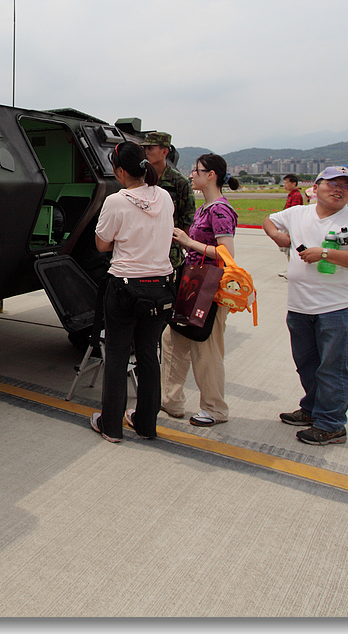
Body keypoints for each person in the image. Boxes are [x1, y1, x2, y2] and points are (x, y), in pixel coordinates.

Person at [263, 166, 348, 446]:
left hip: (335, 308)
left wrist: (325, 253)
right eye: (332, 184)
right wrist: (278, 236)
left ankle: (331, 424)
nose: (339, 190)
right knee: (307, 364)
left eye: (346, 186)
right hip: (299, 306)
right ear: (315, 187)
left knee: (334, 368)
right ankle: (312, 409)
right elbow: (269, 220)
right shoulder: (297, 213)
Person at [88, 140, 175, 443]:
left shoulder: (117, 200)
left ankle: (111, 426)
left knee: (116, 355)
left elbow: (101, 244)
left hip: (125, 287)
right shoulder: (164, 196)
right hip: (161, 287)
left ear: (120, 170)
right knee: (149, 355)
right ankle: (146, 424)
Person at [162, 154, 240, 426]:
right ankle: (170, 401)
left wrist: (187, 242)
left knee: (206, 348)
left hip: (210, 287)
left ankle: (215, 409)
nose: (191, 174)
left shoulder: (219, 210)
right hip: (193, 283)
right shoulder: (206, 207)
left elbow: (226, 253)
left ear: (212, 176)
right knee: (173, 341)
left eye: (196, 170)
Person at [142, 131, 195, 270]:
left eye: (150, 148)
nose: (146, 152)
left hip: (169, 253)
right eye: (145, 149)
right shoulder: (140, 179)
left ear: (164, 151)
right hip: (143, 250)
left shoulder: (180, 183)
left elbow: (187, 219)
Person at [278, 174, 304, 277]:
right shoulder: (291, 195)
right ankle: (290, 269)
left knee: (290, 249)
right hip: (288, 225)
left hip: (291, 226)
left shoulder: (296, 195)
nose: (284, 185)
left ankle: (292, 271)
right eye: (284, 183)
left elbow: (293, 212)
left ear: (294, 184)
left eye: (287, 183)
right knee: (288, 249)